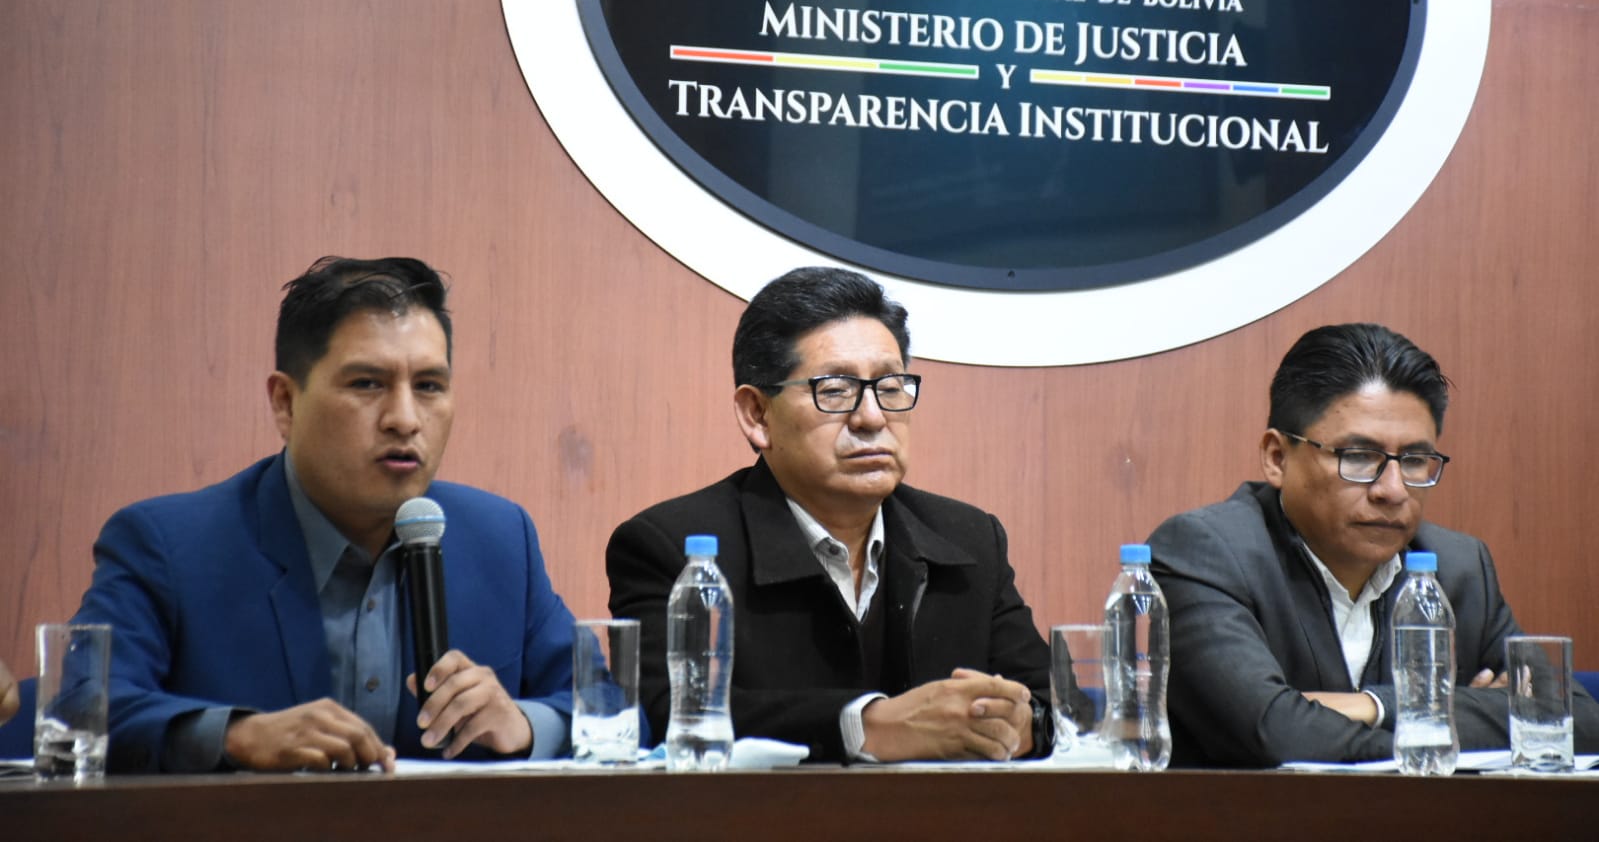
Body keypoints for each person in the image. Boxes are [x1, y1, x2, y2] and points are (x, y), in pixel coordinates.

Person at [70, 256, 579, 773]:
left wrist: (525, 725)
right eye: (367, 384)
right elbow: (75, 705)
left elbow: (607, 705)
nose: (404, 419)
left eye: (429, 386)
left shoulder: (500, 540)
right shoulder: (171, 546)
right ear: (285, 403)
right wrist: (238, 736)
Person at [607, 266, 1052, 763]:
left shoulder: (969, 540)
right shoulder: (667, 546)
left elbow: (1053, 706)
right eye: (835, 389)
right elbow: (667, 716)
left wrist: (1019, 727)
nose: (872, 417)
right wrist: (867, 727)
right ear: (757, 414)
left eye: (891, 387)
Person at [1148, 323, 1599, 767]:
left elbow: (1573, 719)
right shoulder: (1203, 554)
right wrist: (1462, 715)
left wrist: (1372, 706)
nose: (1393, 490)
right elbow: (1275, 732)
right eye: (1360, 457)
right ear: (1277, 458)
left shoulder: (1459, 569)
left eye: (1415, 460)